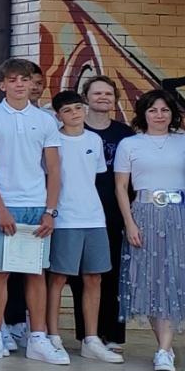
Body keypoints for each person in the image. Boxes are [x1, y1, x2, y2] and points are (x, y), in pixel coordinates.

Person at [0, 57, 62, 364]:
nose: (20, 85)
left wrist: (50, 210)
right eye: (13, 80)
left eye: (25, 79)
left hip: (37, 205)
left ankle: (37, 338)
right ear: (2, 85)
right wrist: (0, 209)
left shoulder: (46, 120)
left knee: (36, 272)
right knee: (0, 272)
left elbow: (54, 168)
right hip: (4, 206)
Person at [112, 89, 185, 371]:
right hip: (144, 214)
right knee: (149, 279)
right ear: (143, 114)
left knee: (175, 277)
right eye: (152, 110)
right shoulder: (129, 144)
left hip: (179, 214)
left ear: (172, 113)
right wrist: (130, 222)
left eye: (164, 110)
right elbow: (121, 187)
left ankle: (164, 349)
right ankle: (163, 347)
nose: (159, 115)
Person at [44, 89, 122, 365]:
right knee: (58, 278)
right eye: (67, 110)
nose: (75, 113)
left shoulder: (94, 140)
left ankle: (91, 339)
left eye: (78, 108)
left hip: (94, 218)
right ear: (58, 116)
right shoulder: (53, 142)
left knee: (94, 277)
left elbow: (95, 177)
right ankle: (52, 336)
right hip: (65, 218)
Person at [71, 74, 132, 353]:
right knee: (79, 278)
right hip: (78, 211)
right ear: (86, 98)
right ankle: (87, 335)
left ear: (115, 99)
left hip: (114, 213)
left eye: (108, 93)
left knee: (111, 274)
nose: (103, 98)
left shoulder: (125, 134)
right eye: (97, 93)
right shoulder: (73, 130)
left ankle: (112, 334)